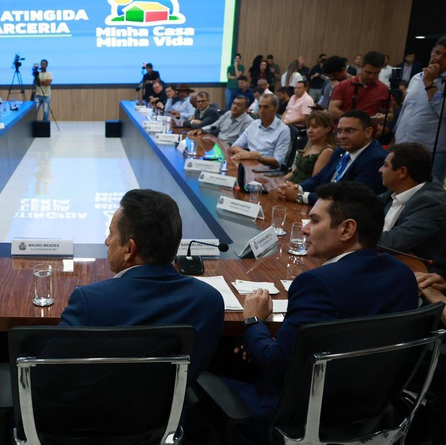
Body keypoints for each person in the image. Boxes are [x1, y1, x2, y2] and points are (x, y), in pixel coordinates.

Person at [230, 181, 419, 445]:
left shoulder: (317, 284)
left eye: (315, 221)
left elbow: (276, 366)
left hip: (299, 417)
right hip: (372, 412)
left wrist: (253, 322)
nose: (305, 229)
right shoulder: (402, 275)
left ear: (347, 229)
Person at [59, 188, 224, 381]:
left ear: (129, 249)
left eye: (111, 234)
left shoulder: (89, 302)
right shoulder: (208, 302)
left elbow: (47, 376)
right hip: (169, 410)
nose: (106, 241)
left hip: (94, 410)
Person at [277, 110, 387, 206]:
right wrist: (297, 188)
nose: (342, 136)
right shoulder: (341, 150)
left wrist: (301, 196)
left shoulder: (375, 159)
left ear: (368, 132)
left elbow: (348, 199)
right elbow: (319, 178)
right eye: (339, 131)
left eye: (349, 131)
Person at [377, 142, 446, 277]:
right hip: (391, 261)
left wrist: (352, 234)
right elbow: (364, 204)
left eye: (385, 165)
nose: (380, 170)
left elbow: (392, 243)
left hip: (421, 274)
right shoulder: (396, 190)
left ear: (402, 172)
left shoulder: (431, 203)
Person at [394, 36, 446, 181]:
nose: (438, 58)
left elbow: (444, 111)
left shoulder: (428, 79)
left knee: (426, 195)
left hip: (431, 151)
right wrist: (395, 135)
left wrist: (429, 83)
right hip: (403, 145)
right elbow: (406, 109)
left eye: (445, 56)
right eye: (437, 52)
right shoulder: (417, 77)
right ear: (431, 51)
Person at [229, 94, 291, 168]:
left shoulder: (283, 130)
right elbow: (235, 146)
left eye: (266, 107)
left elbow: (278, 161)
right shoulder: (254, 124)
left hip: (266, 171)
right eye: (260, 107)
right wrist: (249, 155)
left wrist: (258, 158)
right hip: (248, 165)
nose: (261, 111)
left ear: (276, 108)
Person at [329, 51, 391, 122]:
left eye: (376, 73)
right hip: (344, 130)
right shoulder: (343, 85)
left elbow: (390, 114)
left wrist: (384, 117)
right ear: (361, 66)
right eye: (368, 72)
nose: (371, 76)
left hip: (370, 131)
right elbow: (332, 110)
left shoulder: (384, 89)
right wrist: (355, 120)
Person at [285, 110, 336, 184]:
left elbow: (313, 181)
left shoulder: (327, 151)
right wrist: (279, 181)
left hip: (300, 189)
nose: (310, 131)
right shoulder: (310, 146)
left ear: (327, 129)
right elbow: (294, 172)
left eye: (315, 127)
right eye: (308, 127)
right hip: (289, 184)